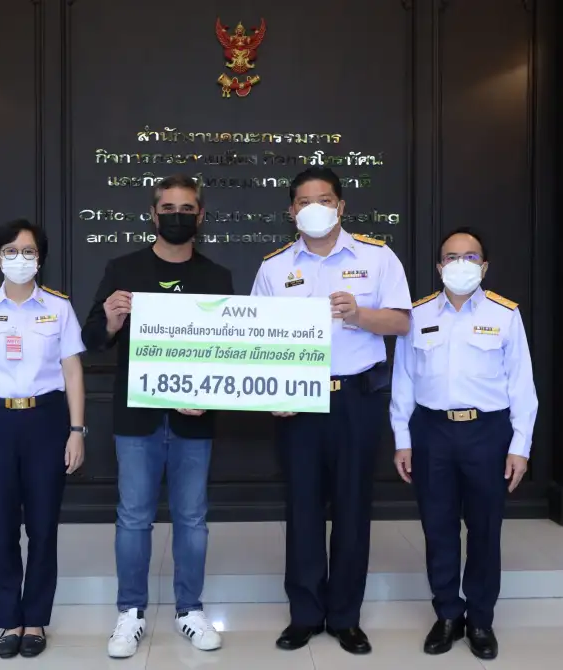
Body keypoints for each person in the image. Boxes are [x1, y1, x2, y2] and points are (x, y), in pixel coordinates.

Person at [251, 167, 411, 655]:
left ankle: (345, 617)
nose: (314, 208)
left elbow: (402, 322)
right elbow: (258, 337)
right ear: (291, 211)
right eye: (304, 202)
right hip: (297, 401)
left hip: (355, 399)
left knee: (352, 508)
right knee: (302, 508)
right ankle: (304, 614)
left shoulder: (377, 257)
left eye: (324, 199)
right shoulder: (274, 267)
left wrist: (359, 315)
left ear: (340, 206)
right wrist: (274, 393)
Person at [83, 174, 234, 659]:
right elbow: (92, 338)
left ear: (201, 216)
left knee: (192, 519)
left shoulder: (218, 278)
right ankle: (130, 612)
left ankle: (190, 610)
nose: (177, 216)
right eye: (168, 208)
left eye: (187, 209)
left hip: (195, 418)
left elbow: (230, 351)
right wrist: (111, 320)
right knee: (133, 518)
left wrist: (210, 392)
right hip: (137, 419)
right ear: (152, 214)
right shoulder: (122, 269)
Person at [389, 228, 538, 661]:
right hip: (431, 432)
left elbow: (522, 385)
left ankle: (481, 620)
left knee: (485, 529)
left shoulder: (505, 314)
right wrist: (402, 439)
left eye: (470, 257)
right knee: (437, 528)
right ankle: (448, 615)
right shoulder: (417, 314)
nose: (460, 264)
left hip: (487, 433)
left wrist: (520, 446)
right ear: (439, 266)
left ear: (484, 267)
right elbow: (403, 381)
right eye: (451, 257)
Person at [0, 219, 86, 660]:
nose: (20, 258)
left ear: (40, 258)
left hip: (46, 421)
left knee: (43, 527)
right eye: (11, 251)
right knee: (2, 527)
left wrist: (77, 431)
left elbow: (72, 372)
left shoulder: (59, 307)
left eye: (28, 251)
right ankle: (10, 619)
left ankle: (36, 620)